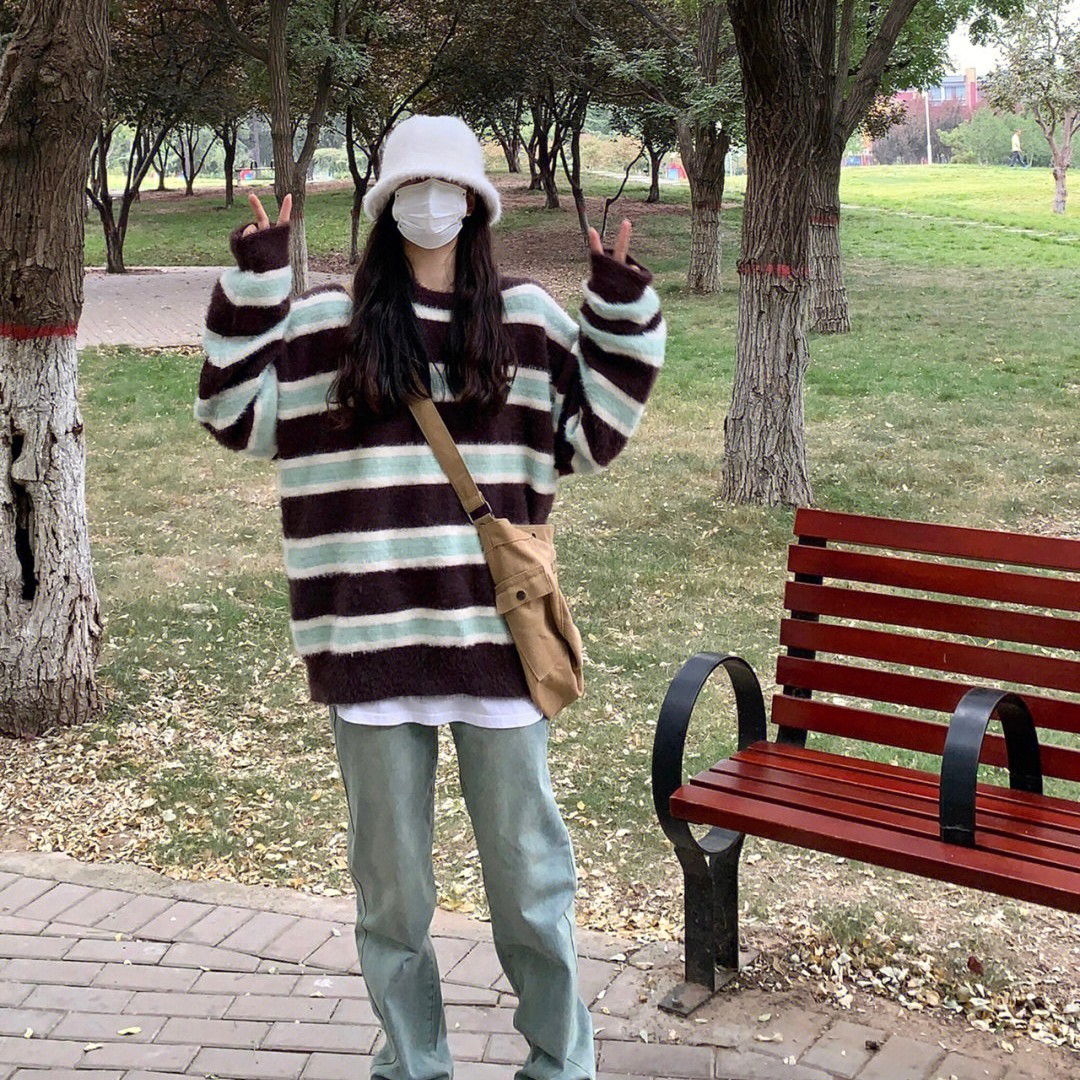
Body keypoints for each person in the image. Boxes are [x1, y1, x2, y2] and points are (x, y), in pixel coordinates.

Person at [195, 114, 665, 1080]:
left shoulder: (526, 321)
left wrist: (619, 306)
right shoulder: (326, 328)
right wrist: (257, 281)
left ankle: (560, 1065)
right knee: (393, 902)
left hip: (497, 645)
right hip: (370, 648)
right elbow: (234, 416)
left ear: (476, 206)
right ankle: (412, 1066)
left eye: (446, 188)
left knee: (531, 886)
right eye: (413, 188)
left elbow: (594, 436)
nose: (431, 204)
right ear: (386, 205)